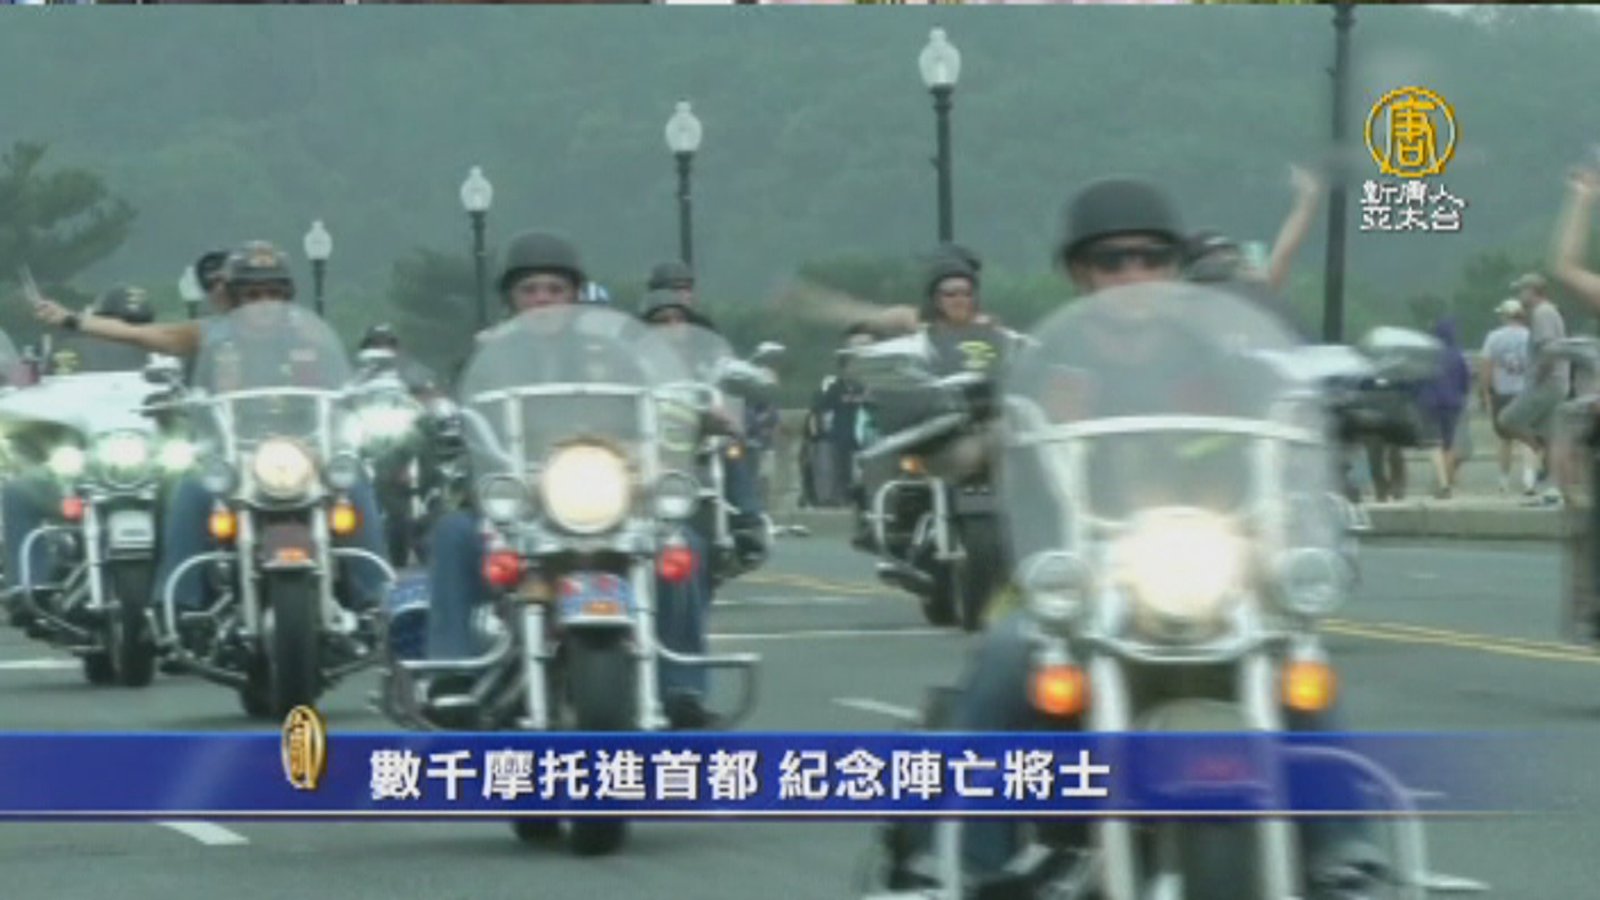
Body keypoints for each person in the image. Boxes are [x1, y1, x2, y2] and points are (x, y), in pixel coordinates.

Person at [885, 176, 1385, 899]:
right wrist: (937, 429)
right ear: (1080, 271)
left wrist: (1358, 405)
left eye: (1151, 257)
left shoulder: (1224, 360)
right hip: (1077, 573)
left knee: (1296, 658)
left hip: (1213, 564)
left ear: (1175, 266)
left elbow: (1294, 406)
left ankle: (1344, 846)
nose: (1133, 274)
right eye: (1112, 260)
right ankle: (964, 859)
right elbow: (968, 449)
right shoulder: (1041, 366)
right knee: (1007, 652)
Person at [423, 234, 737, 729]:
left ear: (574, 294)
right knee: (455, 533)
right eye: (530, 290)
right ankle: (452, 674)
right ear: (511, 298)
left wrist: (697, 414)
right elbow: (459, 411)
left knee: (683, 545)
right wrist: (441, 421)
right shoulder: (488, 354)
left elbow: (662, 398)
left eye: (555, 289)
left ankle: (681, 689)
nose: (543, 300)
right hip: (522, 494)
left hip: (605, 489)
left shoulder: (614, 353)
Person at [28, 242, 389, 621]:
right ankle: (177, 606)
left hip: (306, 451)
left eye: (273, 294)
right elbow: (143, 334)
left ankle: (378, 599)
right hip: (232, 453)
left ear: (287, 296)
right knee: (191, 489)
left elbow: (339, 388)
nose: (264, 304)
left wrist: (353, 400)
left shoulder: (310, 335)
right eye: (252, 295)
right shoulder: (211, 334)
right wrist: (73, 321)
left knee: (354, 483)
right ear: (233, 297)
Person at [636, 285, 769, 724]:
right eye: (659, 321)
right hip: (624, 484)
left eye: (677, 319)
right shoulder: (625, 370)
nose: (670, 328)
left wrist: (718, 418)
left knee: (730, 449)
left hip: (682, 478)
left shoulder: (706, 367)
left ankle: (747, 520)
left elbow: (732, 404)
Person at [1, 285, 159, 620]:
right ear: (97, 322)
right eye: (115, 321)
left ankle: (199, 589)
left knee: (202, 494)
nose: (123, 331)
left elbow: (202, 395)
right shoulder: (64, 356)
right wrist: (19, 394)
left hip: (157, 469)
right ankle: (29, 585)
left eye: (135, 323)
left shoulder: (169, 359)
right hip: (86, 465)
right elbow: (32, 390)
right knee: (18, 491)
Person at [1496, 272, 1568, 506]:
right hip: (1558, 382)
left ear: (1533, 291)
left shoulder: (1542, 313)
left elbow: (1549, 349)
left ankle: (1538, 448)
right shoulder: (1549, 311)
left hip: (1545, 382)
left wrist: (1538, 377)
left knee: (1506, 420)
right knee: (1553, 435)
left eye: (1521, 290)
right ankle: (1554, 488)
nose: (1519, 295)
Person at [1479, 299, 1535, 495]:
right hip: (1525, 392)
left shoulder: (1494, 337)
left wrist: (1486, 392)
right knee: (1527, 438)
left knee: (1505, 439)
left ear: (1505, 316)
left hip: (1502, 392)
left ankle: (1504, 481)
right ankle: (1529, 479)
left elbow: (1486, 366)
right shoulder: (1530, 336)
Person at [1416, 318, 1472, 499]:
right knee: (1448, 444)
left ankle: (1442, 484)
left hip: (1430, 403)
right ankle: (1446, 481)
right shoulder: (1458, 355)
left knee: (1433, 443)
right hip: (1453, 404)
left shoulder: (1427, 355)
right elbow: (1466, 383)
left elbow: (1418, 379)